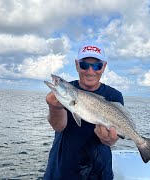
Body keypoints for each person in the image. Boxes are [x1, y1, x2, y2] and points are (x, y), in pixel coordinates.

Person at [44, 42, 124, 180]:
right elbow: (58, 126)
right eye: (84, 65)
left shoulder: (114, 96)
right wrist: (54, 107)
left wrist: (109, 139)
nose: (90, 71)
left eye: (97, 66)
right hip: (62, 171)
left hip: (99, 172)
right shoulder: (64, 94)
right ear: (76, 65)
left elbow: (114, 138)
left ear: (104, 67)